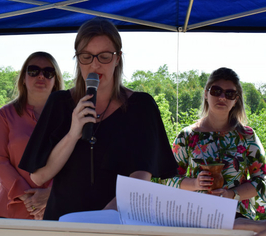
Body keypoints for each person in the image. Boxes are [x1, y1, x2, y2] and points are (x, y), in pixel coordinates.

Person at [18, 17, 178, 220]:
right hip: (63, 224)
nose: (95, 64)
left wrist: (101, 220)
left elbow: (141, 176)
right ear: (77, 59)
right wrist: (73, 133)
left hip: (116, 223)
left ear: (118, 58)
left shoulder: (141, 107)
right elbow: (38, 176)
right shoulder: (59, 103)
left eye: (104, 56)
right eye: (86, 56)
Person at [165, 67, 266, 219]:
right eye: (216, 91)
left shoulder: (247, 136)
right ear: (206, 94)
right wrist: (195, 184)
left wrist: (232, 194)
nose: (222, 97)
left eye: (230, 93)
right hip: (194, 216)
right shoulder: (188, 135)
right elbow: (167, 178)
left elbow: (262, 180)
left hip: (236, 218)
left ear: (236, 100)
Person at [0, 51, 64, 220]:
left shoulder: (68, 117)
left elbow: (75, 161)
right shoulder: (5, 115)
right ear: (23, 78)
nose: (41, 76)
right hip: (12, 209)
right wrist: (28, 198)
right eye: (33, 71)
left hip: (55, 209)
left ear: (55, 80)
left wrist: (49, 194)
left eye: (48, 72)